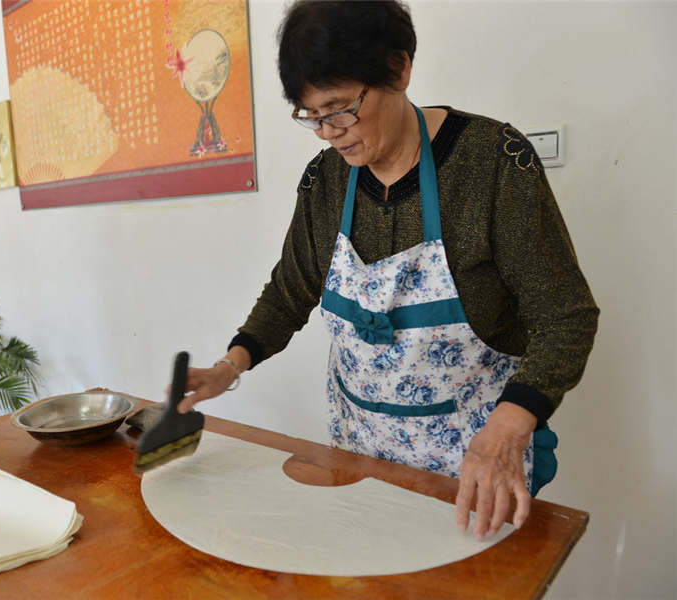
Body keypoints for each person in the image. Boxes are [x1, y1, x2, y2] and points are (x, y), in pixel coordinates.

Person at [176, 0, 598, 539]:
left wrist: (510, 428)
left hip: (477, 466)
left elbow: (565, 315)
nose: (329, 131)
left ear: (398, 69)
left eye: (340, 108)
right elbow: (291, 289)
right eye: (312, 116)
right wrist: (228, 366)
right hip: (360, 459)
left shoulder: (492, 163)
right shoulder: (326, 180)